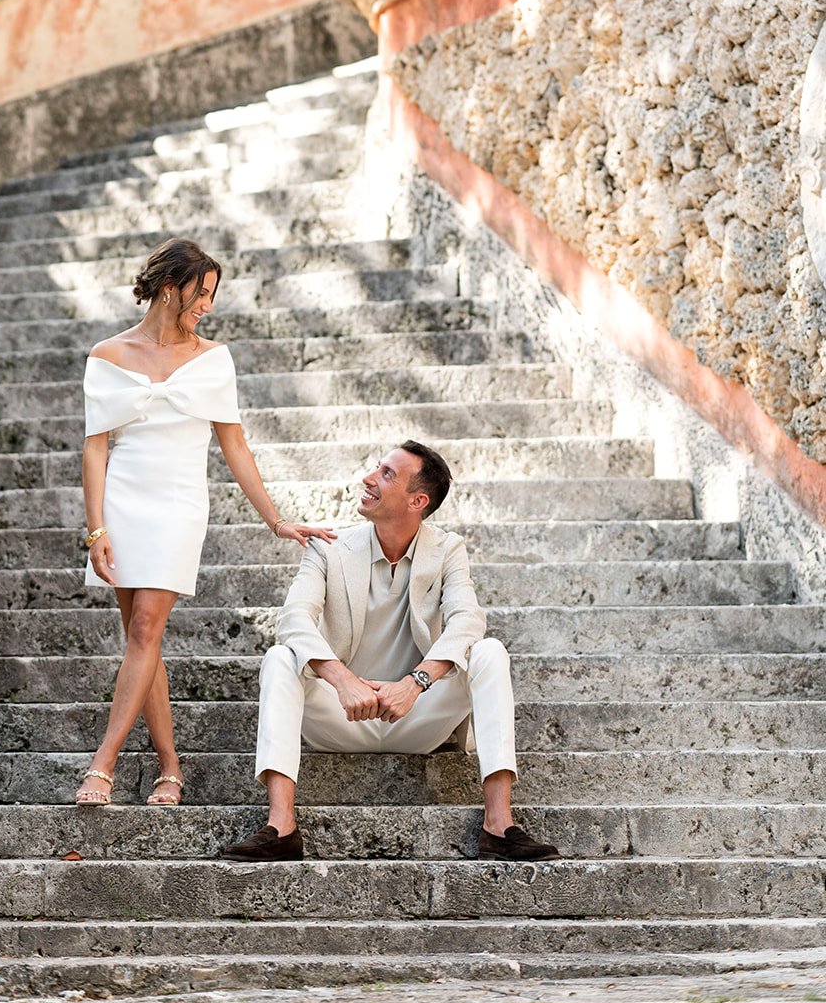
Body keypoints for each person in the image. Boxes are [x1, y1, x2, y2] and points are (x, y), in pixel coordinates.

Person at [76, 236, 336, 807]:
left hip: (178, 506)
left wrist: (275, 521)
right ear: (170, 289)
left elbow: (235, 447)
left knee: (146, 629)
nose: (208, 306)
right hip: (124, 503)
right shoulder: (107, 356)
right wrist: (96, 529)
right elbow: (95, 449)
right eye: (202, 293)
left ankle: (103, 764)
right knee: (140, 640)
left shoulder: (214, 359)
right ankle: (171, 767)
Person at [220, 440, 560, 862]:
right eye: (375, 469)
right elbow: (294, 620)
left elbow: (467, 622)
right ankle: (281, 826)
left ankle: (499, 824)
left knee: (489, 651)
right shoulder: (328, 546)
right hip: (343, 714)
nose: (368, 479)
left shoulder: (448, 549)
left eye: (386, 475)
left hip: (415, 715)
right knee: (279, 658)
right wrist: (341, 679)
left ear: (417, 501)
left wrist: (414, 684)